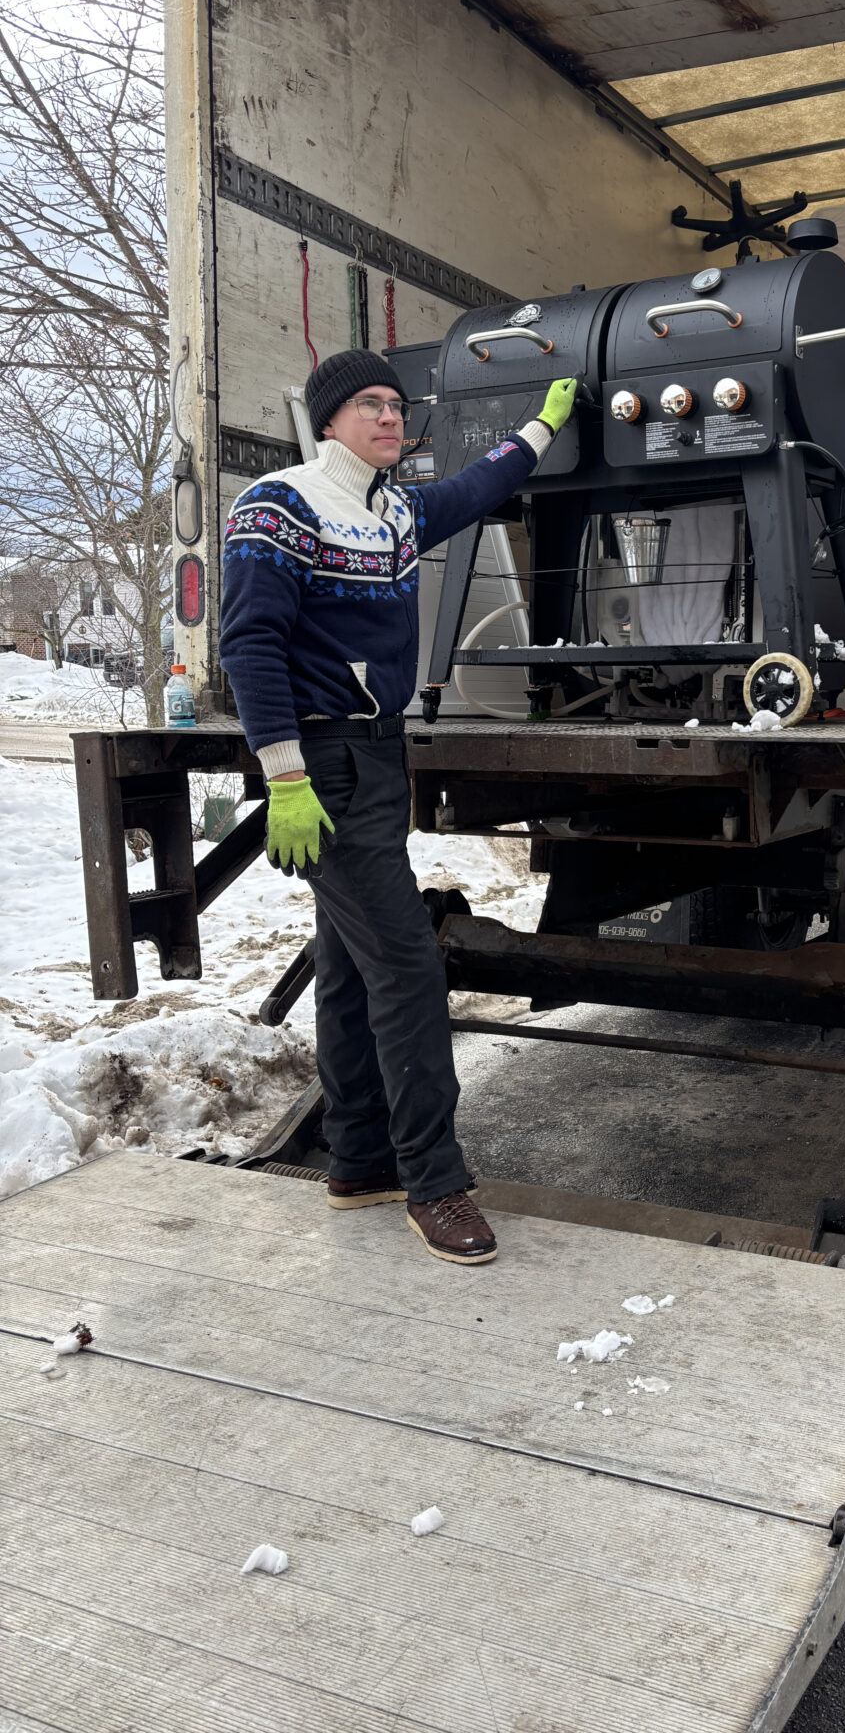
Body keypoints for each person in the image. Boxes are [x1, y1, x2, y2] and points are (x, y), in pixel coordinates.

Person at [219, 348, 575, 1264]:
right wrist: (285, 777)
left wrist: (539, 428)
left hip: (378, 756)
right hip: (321, 765)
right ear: (330, 417)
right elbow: (250, 644)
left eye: (397, 405)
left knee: (348, 966)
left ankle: (360, 1163)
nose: (390, 418)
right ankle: (437, 1182)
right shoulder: (280, 504)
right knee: (410, 969)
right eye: (369, 404)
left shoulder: (396, 514)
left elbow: (474, 489)